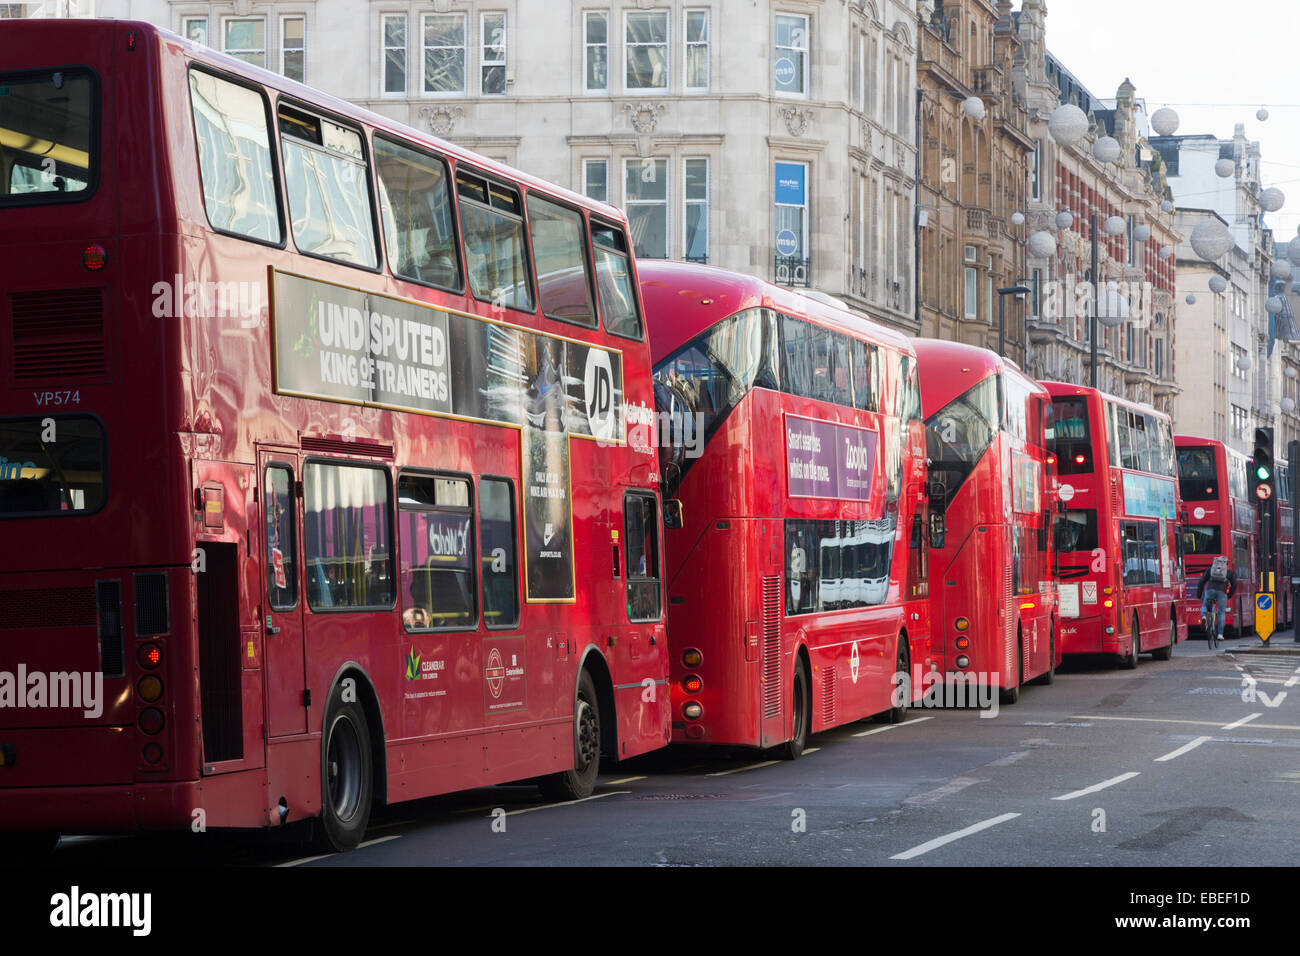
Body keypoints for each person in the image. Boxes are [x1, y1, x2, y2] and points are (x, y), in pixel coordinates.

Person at [1197, 555, 1237, 647]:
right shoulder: (1229, 572)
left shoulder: (1210, 570)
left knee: (1204, 605)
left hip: (1210, 590)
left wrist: (1199, 595)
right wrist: (1229, 595)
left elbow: (1201, 581)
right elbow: (1234, 584)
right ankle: (1220, 634)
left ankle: (1203, 617)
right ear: (1226, 564)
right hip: (1222, 593)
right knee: (1221, 612)